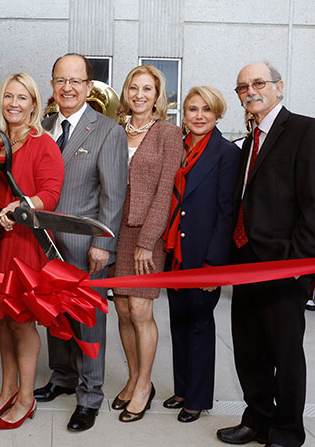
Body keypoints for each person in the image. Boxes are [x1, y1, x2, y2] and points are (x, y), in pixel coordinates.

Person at [217, 62, 315, 447]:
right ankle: (257, 419)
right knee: (249, 348)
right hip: (245, 261)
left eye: (258, 83)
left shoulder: (306, 131)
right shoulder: (249, 137)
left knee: (285, 353)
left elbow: (312, 203)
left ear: (279, 87)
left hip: (285, 265)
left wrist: (299, 261)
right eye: (242, 86)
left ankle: (288, 432)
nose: (250, 90)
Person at [33, 53, 128, 432]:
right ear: (52, 85)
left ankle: (90, 395)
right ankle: (62, 377)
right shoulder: (41, 127)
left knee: (87, 320)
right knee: (53, 314)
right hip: (43, 242)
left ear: (89, 87)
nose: (68, 87)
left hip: (84, 244)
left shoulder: (107, 130)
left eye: (76, 81)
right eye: (60, 80)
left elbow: (114, 194)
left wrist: (104, 243)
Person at [0, 73, 64, 429]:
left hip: (24, 246)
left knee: (22, 322)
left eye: (23, 98)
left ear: (34, 105)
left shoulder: (44, 144)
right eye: (9, 96)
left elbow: (51, 195)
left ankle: (25, 398)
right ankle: (7, 390)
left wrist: (21, 208)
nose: (14, 104)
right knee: (1, 319)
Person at [161, 86, 240, 423]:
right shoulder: (177, 147)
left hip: (203, 256)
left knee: (200, 325)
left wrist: (215, 264)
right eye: (192, 109)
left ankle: (197, 398)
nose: (198, 115)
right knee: (178, 321)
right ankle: (182, 388)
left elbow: (227, 214)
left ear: (217, 113)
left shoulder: (225, 153)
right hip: (174, 251)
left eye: (206, 110)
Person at [110, 64, 183, 423]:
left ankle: (144, 384)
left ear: (158, 96)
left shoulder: (168, 134)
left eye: (147, 89)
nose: (139, 95)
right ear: (126, 93)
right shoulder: (113, 130)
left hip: (146, 234)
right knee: (122, 311)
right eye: (133, 88)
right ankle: (133, 378)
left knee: (141, 311)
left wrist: (147, 241)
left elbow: (165, 190)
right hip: (114, 230)